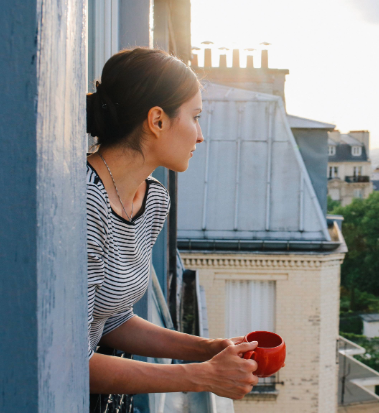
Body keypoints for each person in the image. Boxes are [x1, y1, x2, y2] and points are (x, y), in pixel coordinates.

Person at [85, 48, 258, 399]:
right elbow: (72, 360)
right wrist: (203, 377)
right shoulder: (87, 202)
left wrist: (207, 348)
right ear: (157, 120)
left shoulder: (152, 199)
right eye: (195, 116)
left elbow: (112, 320)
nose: (200, 135)